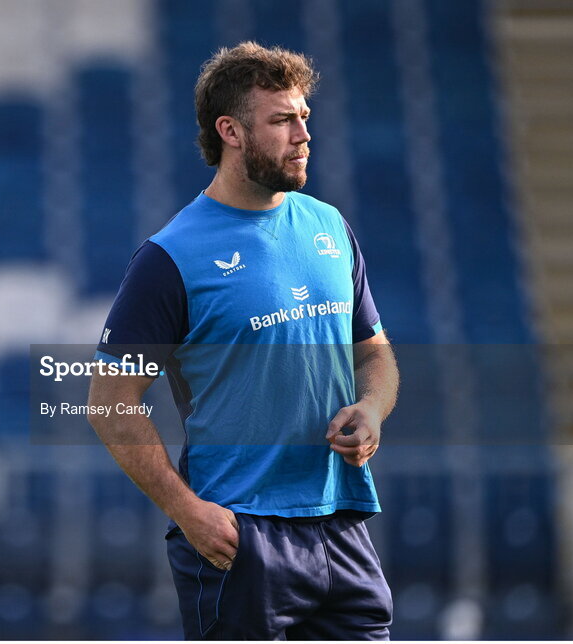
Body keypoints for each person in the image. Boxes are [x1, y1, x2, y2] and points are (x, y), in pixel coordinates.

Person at [88, 41, 399, 640]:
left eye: (305, 117)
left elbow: (375, 353)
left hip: (344, 525)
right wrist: (188, 512)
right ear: (230, 131)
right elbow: (108, 403)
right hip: (239, 534)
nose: (303, 134)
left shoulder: (330, 226)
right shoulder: (169, 257)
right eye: (282, 120)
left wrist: (372, 409)